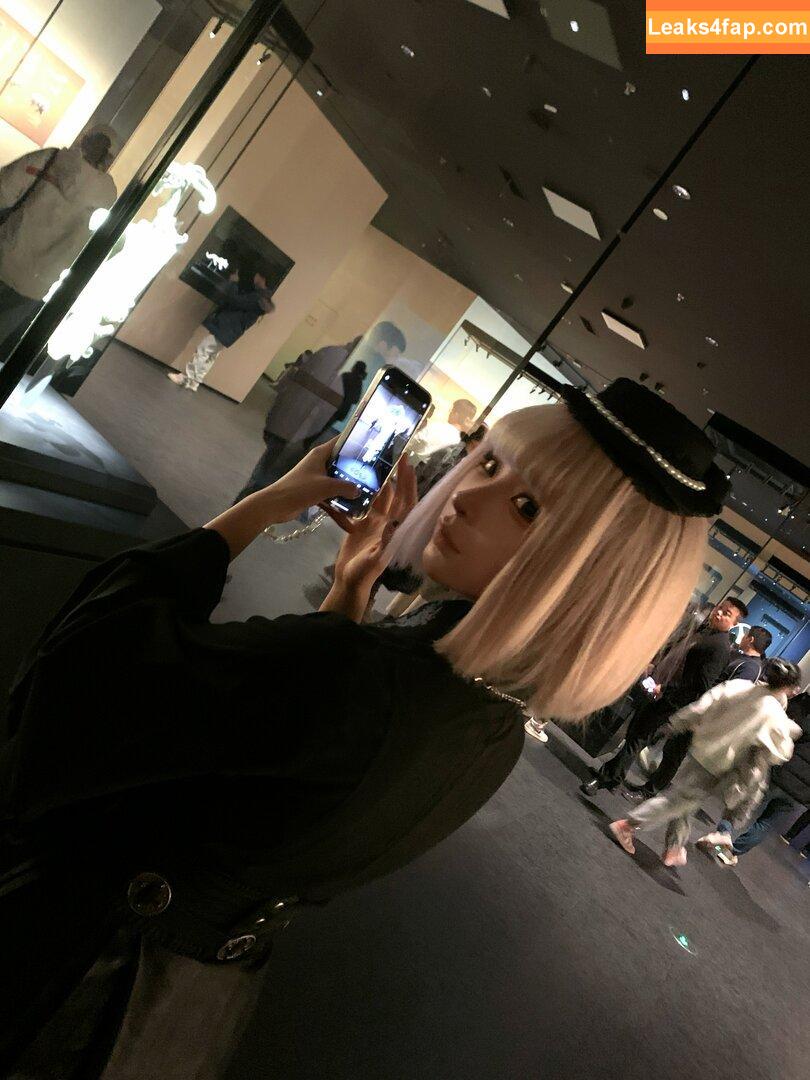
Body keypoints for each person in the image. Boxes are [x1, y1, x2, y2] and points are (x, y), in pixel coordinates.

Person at [1, 378, 728, 1075]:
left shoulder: (358, 676)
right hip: (182, 1010)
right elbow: (292, 771)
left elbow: (83, 674)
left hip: (62, 971)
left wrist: (265, 503)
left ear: (586, 574)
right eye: (489, 463)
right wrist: (350, 592)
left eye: (527, 506)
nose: (467, 496)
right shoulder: (490, 725)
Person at [608, 660, 803, 867]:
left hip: (699, 749)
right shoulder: (775, 716)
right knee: (678, 800)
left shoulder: (740, 687)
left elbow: (701, 707)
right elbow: (780, 752)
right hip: (720, 765)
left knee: (686, 799)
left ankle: (674, 848)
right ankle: (628, 825)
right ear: (788, 687)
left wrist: (675, 724)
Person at [581, 596, 747, 796]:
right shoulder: (704, 631)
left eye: (726, 614)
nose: (719, 613)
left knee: (638, 737)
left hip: (671, 700)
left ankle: (605, 778)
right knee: (635, 733)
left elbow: (701, 685)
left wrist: (667, 689)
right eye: (720, 607)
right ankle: (612, 776)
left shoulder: (720, 647)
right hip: (658, 690)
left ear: (734, 623)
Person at [233, 323, 406, 502]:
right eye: (394, 353)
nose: (395, 359)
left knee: (264, 477)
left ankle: (239, 511)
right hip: (319, 434)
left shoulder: (335, 352)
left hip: (292, 425)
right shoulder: (374, 374)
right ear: (383, 345)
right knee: (278, 485)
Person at [0, 128, 117, 358]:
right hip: (37, 282)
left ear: (84, 140)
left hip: (5, 254)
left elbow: (3, 191)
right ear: (109, 156)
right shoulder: (106, 195)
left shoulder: (49, 159)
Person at [696, 687, 810, 865]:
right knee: (765, 824)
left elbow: (791, 734)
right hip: (800, 793)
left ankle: (724, 832)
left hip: (780, 774)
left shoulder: (805, 716)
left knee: (742, 802)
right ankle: (729, 852)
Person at [168, 268, 275, 391]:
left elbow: (235, 301)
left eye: (257, 275)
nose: (255, 277)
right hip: (231, 330)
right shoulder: (263, 298)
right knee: (211, 355)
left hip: (226, 327)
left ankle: (186, 379)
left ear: (262, 278)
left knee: (203, 350)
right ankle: (195, 382)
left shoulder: (258, 297)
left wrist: (233, 282)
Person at [301, 360, 368, 450]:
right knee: (323, 428)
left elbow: (333, 388)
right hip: (340, 411)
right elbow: (355, 400)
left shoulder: (346, 376)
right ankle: (307, 443)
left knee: (317, 423)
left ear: (355, 367)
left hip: (331, 405)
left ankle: (306, 440)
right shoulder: (359, 383)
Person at [410, 398, 478, 458]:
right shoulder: (461, 441)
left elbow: (412, 442)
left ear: (456, 414)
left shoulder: (439, 428)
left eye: (452, 410)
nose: (449, 412)